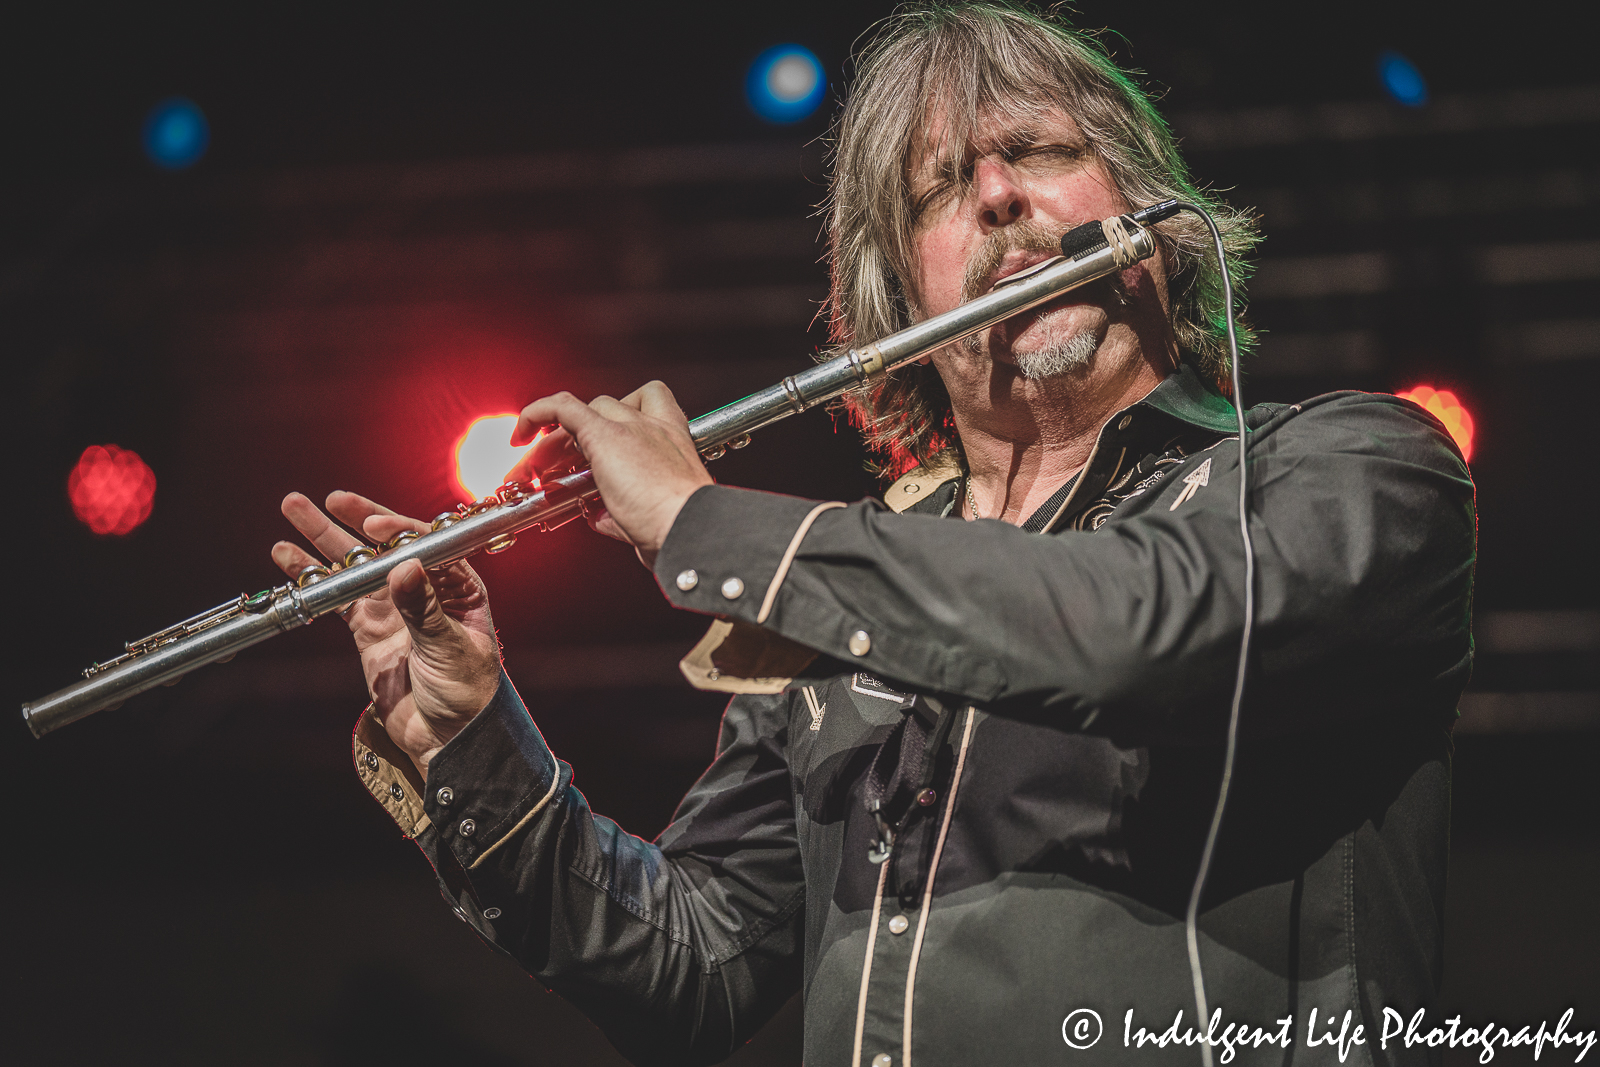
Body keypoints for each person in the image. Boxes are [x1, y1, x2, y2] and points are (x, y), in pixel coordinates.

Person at [273, 6, 1475, 1065]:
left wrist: (707, 524)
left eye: (1044, 153)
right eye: (942, 188)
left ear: (1153, 219)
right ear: (900, 307)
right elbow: (688, 975)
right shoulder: (846, 611)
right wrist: (475, 741)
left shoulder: (1350, 467)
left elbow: (1138, 626)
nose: (1001, 195)